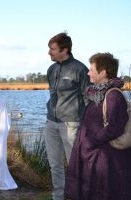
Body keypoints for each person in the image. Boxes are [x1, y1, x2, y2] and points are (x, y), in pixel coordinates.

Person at [65, 53, 131, 200]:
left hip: (106, 160)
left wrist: (90, 142)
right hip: (95, 157)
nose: (88, 73)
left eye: (91, 69)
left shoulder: (113, 95)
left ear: (103, 72)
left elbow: (114, 127)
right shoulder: (96, 93)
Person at [44, 32, 90, 200]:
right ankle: (58, 197)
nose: (49, 52)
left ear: (65, 50)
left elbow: (88, 99)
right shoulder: (51, 69)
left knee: (75, 166)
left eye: (52, 49)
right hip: (51, 123)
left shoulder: (80, 69)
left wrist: (86, 125)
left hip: (72, 125)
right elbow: (52, 94)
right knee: (54, 165)